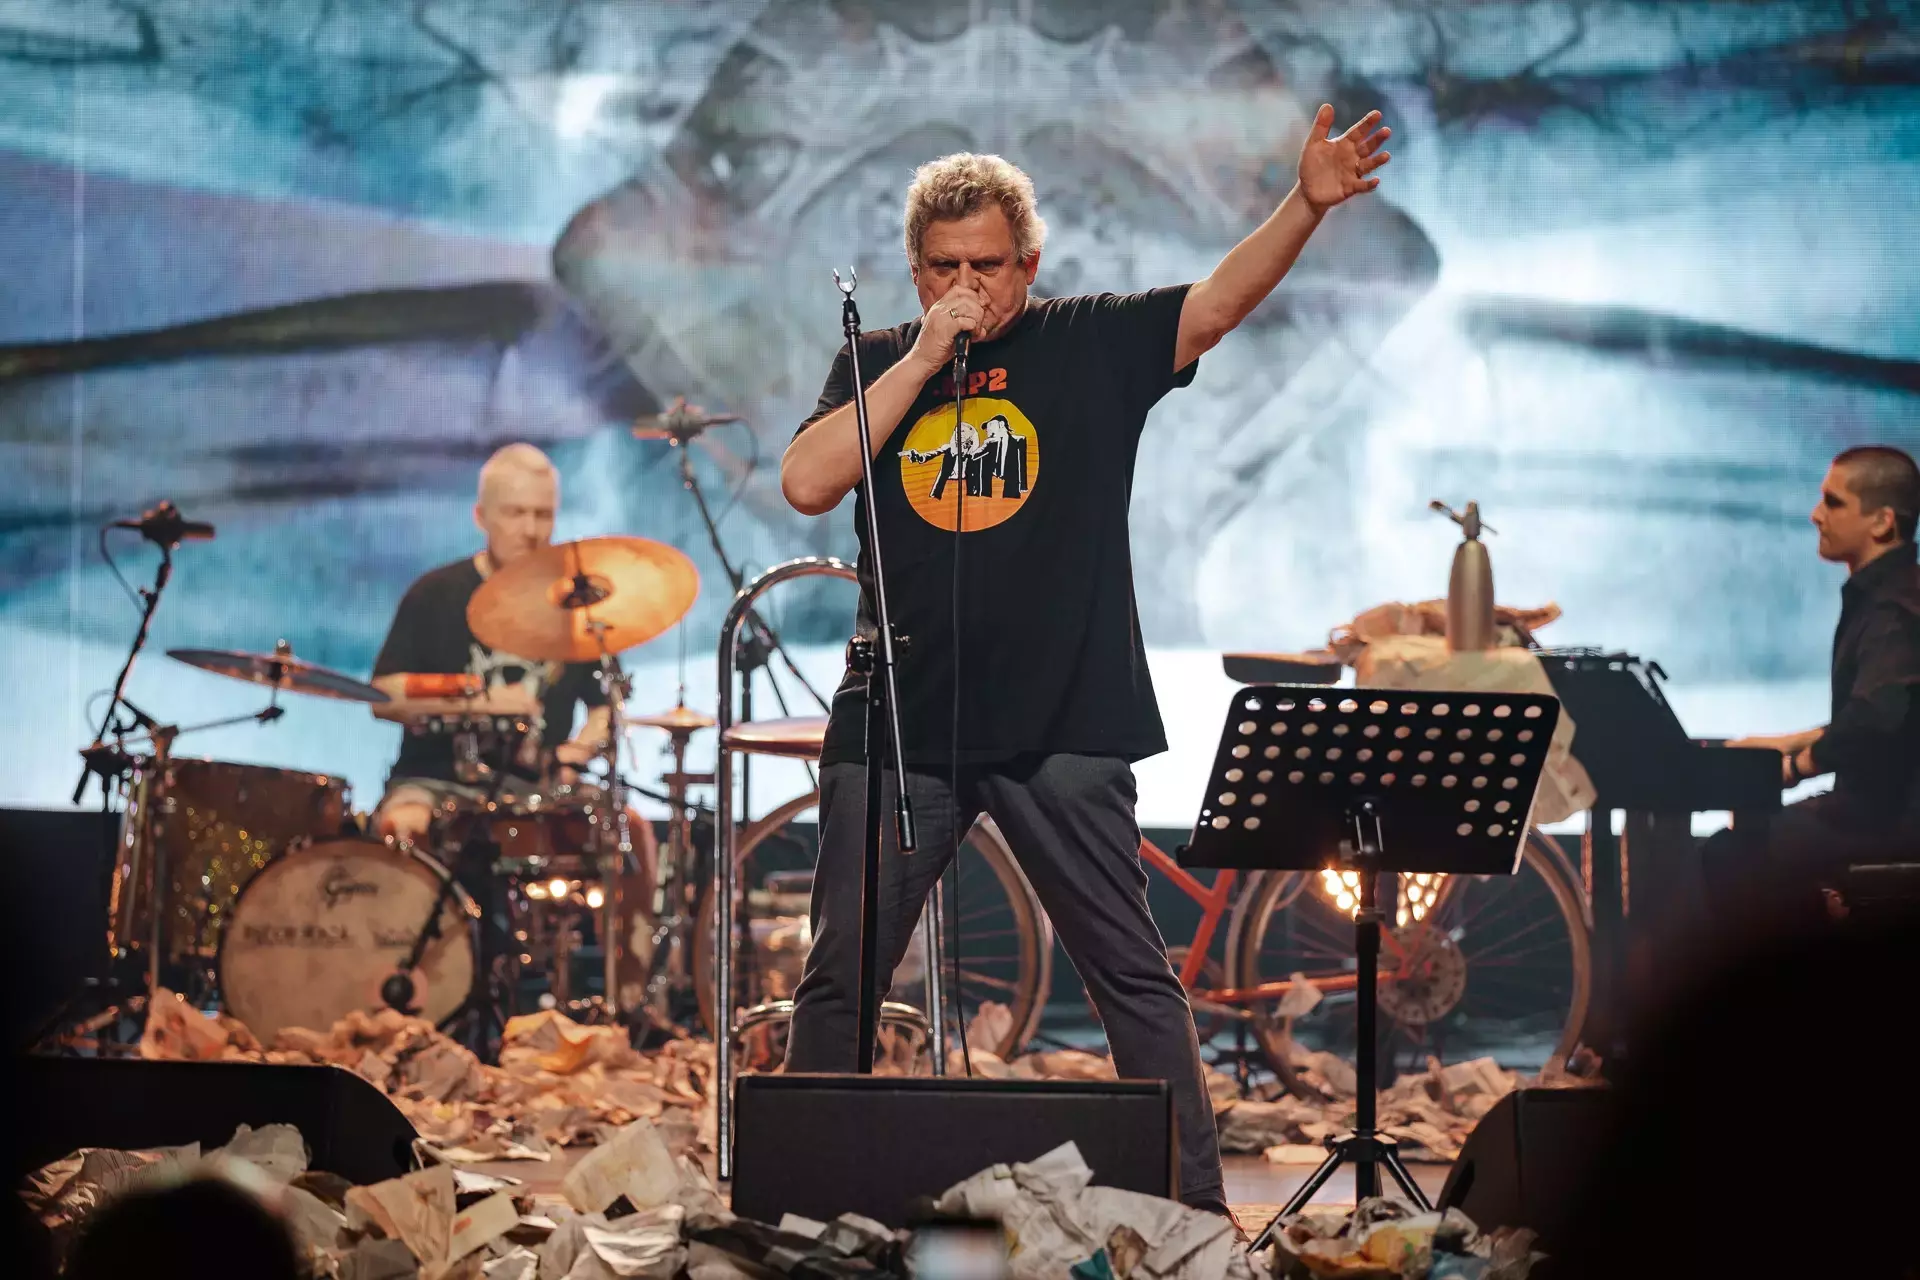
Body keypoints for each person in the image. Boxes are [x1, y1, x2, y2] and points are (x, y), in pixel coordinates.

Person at [779, 107, 1393, 1218]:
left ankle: (1197, 1217)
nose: (968, 286)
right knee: (840, 977)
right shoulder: (879, 363)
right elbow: (808, 482)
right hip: (901, 720)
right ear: (916, 272)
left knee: (1132, 976)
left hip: (1061, 718)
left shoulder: (1086, 340)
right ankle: (803, 1217)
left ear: (1029, 262)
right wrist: (921, 359)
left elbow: (1215, 306)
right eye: (945, 267)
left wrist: (1306, 202)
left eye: (988, 265)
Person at [1709, 445, 1920, 931]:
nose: (1816, 515)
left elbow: (1879, 718)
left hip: (1893, 817)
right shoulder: (1892, 594)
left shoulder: (1893, 611)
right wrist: (1790, 741)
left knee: (1732, 855)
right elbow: (1887, 709)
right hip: (1882, 807)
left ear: (1882, 522)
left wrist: (1797, 765)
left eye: (1834, 502)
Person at [368, 444, 612, 843]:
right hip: (434, 783)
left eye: (543, 515)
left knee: (624, 834)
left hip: (538, 795)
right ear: (481, 516)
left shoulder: (575, 604)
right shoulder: (435, 594)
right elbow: (382, 697)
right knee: (406, 827)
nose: (531, 530)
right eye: (515, 513)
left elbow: (605, 707)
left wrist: (576, 754)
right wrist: (481, 702)